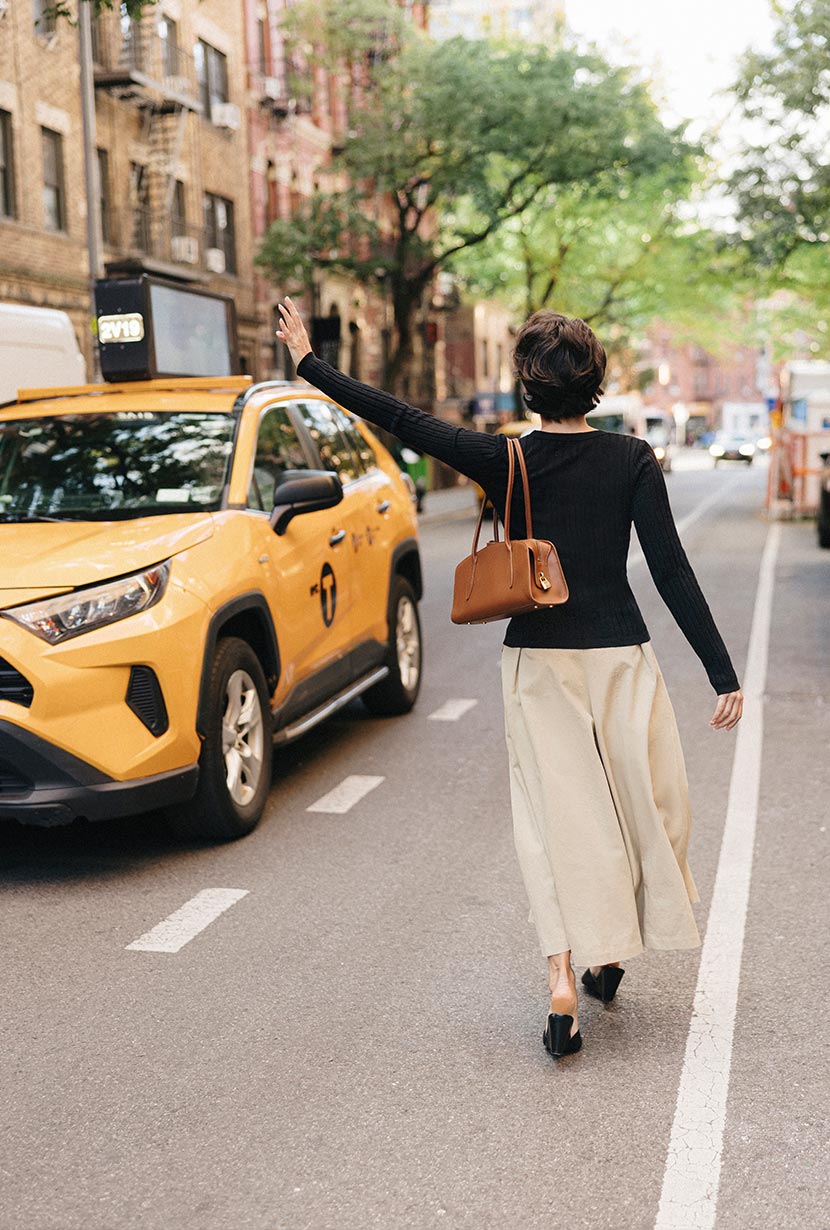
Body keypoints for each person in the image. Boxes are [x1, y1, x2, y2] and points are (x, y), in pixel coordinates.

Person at [276, 298, 744, 1060]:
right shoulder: (631, 458)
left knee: (556, 817)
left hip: (539, 664)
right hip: (622, 660)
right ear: (595, 382)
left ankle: (565, 978)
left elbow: (401, 417)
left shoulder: (507, 457)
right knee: (643, 807)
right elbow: (670, 570)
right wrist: (720, 671)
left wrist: (308, 363)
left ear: (528, 385)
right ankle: (606, 953)